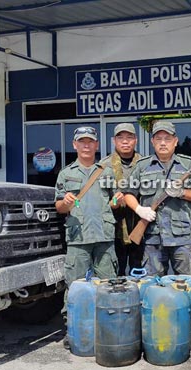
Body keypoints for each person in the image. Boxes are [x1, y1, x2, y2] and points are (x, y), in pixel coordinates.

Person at [54, 126, 117, 349]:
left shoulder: (106, 172)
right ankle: (73, 329)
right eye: (82, 141)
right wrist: (67, 203)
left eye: (90, 141)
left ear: (97, 145)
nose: (87, 145)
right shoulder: (66, 173)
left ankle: (109, 329)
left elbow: (113, 202)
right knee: (75, 287)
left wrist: (118, 199)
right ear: (75, 145)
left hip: (104, 237)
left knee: (108, 285)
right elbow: (59, 207)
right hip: (78, 238)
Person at [123, 121, 191, 277]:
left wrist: (181, 192)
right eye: (158, 139)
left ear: (175, 141)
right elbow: (128, 193)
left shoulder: (188, 164)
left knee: (187, 283)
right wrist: (139, 209)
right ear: (152, 142)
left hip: (182, 237)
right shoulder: (142, 166)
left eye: (167, 139)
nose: (162, 143)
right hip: (153, 237)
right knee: (153, 286)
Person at [100, 123, 143, 276]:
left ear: (136, 140)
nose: (125, 141)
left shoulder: (145, 164)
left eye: (129, 137)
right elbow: (99, 201)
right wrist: (112, 204)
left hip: (141, 228)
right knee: (116, 275)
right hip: (114, 231)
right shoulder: (103, 167)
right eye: (120, 137)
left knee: (140, 273)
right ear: (114, 141)